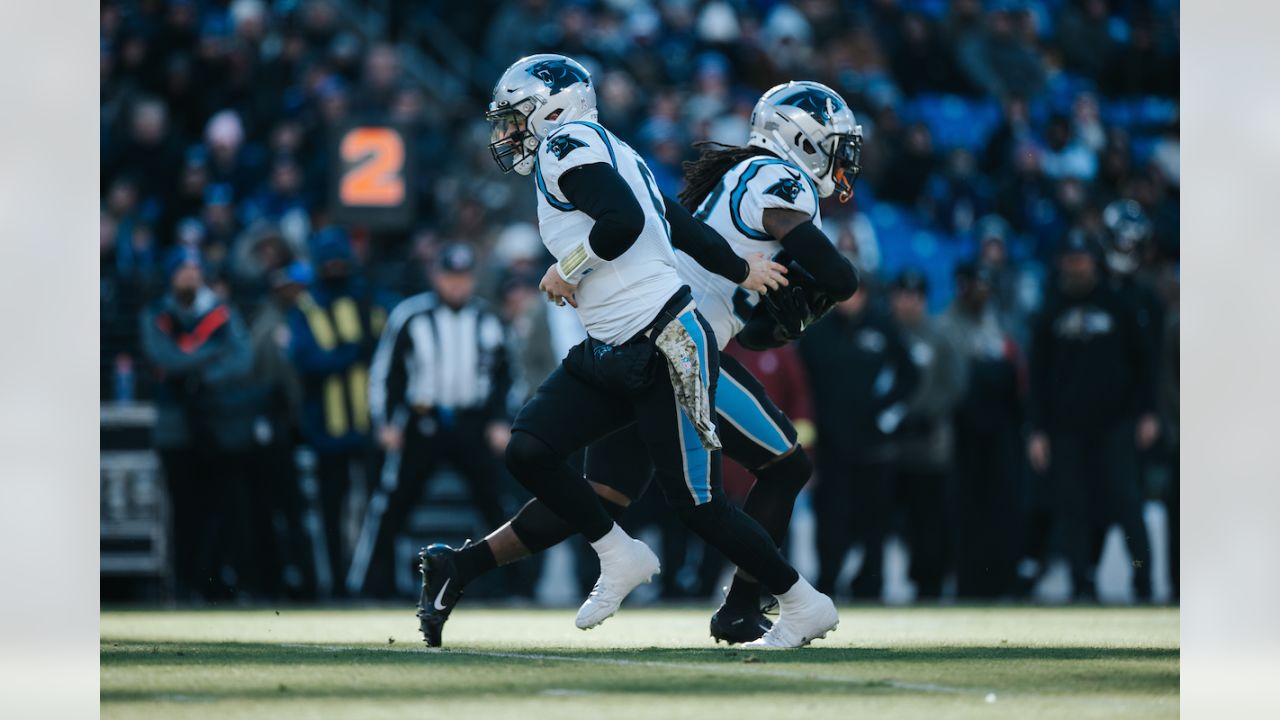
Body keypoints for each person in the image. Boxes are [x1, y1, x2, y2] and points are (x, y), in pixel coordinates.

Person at [422, 55, 838, 649]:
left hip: (665, 339)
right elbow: (673, 222)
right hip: (617, 341)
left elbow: (621, 221)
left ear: (551, 109)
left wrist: (566, 270)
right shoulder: (606, 146)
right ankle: (615, 553)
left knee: (697, 504)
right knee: (530, 449)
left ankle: (801, 601)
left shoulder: (563, 147)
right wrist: (739, 267)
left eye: (517, 118)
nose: (510, 132)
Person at [355, 243, 517, 598]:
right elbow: (387, 374)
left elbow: (507, 376)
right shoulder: (411, 317)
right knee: (392, 503)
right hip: (423, 423)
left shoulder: (489, 320)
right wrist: (385, 422)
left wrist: (501, 419)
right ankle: (372, 585)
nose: (457, 285)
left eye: (463, 278)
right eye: (450, 277)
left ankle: (514, 586)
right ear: (437, 277)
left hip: (474, 423)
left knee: (497, 503)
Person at [1027, 229, 1157, 601]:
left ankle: (1143, 582)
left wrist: (1146, 412)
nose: (1077, 266)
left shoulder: (1118, 305)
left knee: (1126, 503)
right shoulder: (1050, 310)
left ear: (1094, 263)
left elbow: (1143, 364)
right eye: (1071, 259)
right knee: (1073, 508)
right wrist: (1037, 430)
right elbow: (1037, 376)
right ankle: (1082, 583)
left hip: (1116, 424)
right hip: (1066, 428)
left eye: (1082, 259)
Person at [140, 247, 256, 601]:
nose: (190, 276)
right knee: (182, 509)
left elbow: (243, 360)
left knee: (215, 509)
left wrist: (201, 376)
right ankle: (183, 582)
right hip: (175, 424)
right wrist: (209, 356)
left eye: (195, 269)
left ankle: (212, 582)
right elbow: (164, 359)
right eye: (183, 270)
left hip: (213, 423)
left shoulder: (219, 313)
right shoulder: (157, 314)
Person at [287, 227, 393, 597]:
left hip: (368, 425)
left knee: (378, 509)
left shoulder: (368, 298)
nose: (335, 268)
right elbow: (304, 359)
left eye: (339, 261)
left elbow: (389, 350)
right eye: (328, 262)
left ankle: (379, 582)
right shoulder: (308, 305)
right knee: (331, 512)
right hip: (327, 426)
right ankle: (333, 584)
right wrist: (352, 353)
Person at [800, 280, 918, 600]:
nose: (851, 299)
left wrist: (886, 415)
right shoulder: (817, 333)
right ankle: (826, 585)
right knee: (831, 524)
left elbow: (909, 376)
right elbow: (803, 387)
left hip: (873, 448)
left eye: (858, 291)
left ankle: (870, 586)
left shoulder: (882, 329)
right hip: (831, 448)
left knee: (874, 523)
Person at [936, 261, 1025, 598]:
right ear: (962, 286)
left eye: (986, 285)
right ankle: (968, 585)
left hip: (999, 436)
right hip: (959, 435)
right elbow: (954, 386)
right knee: (965, 514)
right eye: (977, 285)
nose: (982, 292)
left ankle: (1001, 582)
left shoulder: (998, 323)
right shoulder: (946, 325)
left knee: (999, 512)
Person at [888, 270, 966, 600]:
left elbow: (956, 384)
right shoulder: (883, 332)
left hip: (931, 445)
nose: (908, 303)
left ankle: (930, 581)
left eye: (915, 296)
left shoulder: (939, 335)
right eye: (903, 296)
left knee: (930, 520)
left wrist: (926, 413)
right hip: (889, 446)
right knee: (890, 519)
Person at [244, 260, 316, 599]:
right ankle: (286, 582)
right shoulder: (274, 324)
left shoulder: (272, 319)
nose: (302, 293)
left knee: (279, 508)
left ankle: (279, 580)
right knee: (282, 507)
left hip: (271, 423)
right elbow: (281, 379)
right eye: (296, 286)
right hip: (271, 424)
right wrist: (299, 418)